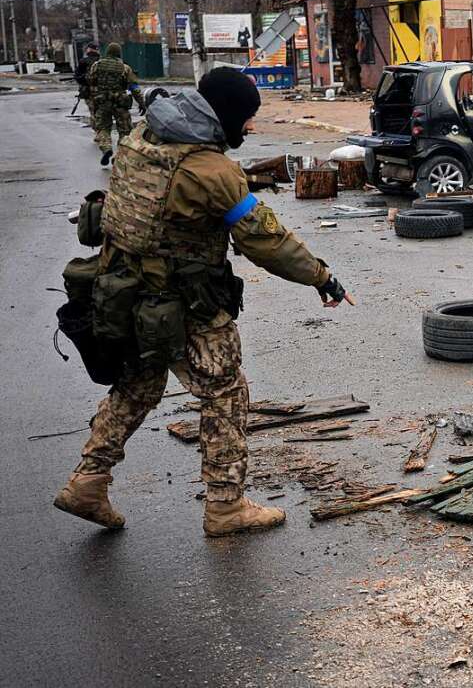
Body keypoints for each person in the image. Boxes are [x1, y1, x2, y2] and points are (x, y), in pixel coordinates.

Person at [53, 67, 355, 537]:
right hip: (184, 303)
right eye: (247, 118)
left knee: (138, 386)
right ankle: (226, 506)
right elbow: (263, 240)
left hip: (122, 292)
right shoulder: (211, 171)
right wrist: (321, 276)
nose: (251, 127)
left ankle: (87, 482)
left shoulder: (144, 135)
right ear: (227, 115)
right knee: (226, 392)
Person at [87, 42, 146, 166]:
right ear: (119, 53)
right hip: (120, 103)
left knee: (103, 128)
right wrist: (142, 103)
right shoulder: (125, 68)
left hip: (102, 102)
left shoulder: (96, 66)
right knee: (125, 130)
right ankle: (119, 155)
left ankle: (106, 148)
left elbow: (91, 85)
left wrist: (94, 101)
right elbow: (134, 87)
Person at [73, 42, 101, 123]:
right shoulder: (102, 61)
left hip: (88, 93)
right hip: (102, 92)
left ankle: (98, 131)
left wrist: (85, 82)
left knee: (93, 113)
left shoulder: (83, 61)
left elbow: (77, 77)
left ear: (88, 50)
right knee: (102, 113)